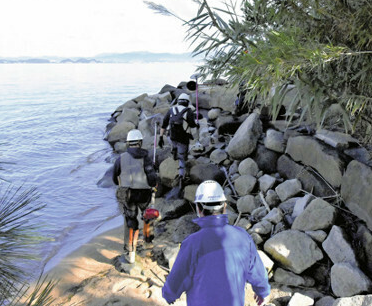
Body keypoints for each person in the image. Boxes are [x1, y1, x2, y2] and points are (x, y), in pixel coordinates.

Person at [162, 180, 271, 306]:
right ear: (224, 207)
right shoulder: (243, 237)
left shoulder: (192, 243)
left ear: (198, 208)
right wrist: (262, 291)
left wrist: (169, 295)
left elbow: (176, 282)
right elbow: (258, 273)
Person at [112, 129, 158, 264]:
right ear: (140, 142)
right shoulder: (147, 158)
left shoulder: (120, 159)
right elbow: (151, 179)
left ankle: (130, 252)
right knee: (148, 216)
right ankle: (148, 243)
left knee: (130, 221)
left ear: (128, 143)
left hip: (128, 195)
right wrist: (153, 183)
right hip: (144, 194)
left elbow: (115, 178)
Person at [158, 93, 198, 187]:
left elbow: (164, 125)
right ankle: (181, 177)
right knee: (182, 158)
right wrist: (197, 124)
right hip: (183, 139)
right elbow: (192, 125)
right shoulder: (188, 111)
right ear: (187, 102)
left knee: (173, 142)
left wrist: (160, 138)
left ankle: (174, 150)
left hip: (171, 137)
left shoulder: (171, 110)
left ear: (178, 101)